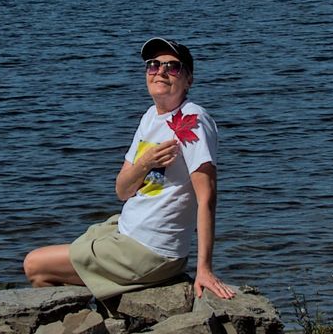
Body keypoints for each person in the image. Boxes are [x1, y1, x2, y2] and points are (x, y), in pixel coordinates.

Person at [23, 38, 235, 302]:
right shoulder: (151, 117)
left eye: (173, 67)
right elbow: (122, 190)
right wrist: (146, 162)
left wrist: (204, 269)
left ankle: (87, 328)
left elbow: (207, 198)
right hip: (127, 229)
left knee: (34, 265)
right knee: (51, 267)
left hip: (150, 250)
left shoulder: (192, 121)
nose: (161, 72)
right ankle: (93, 320)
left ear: (188, 79)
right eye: (153, 65)